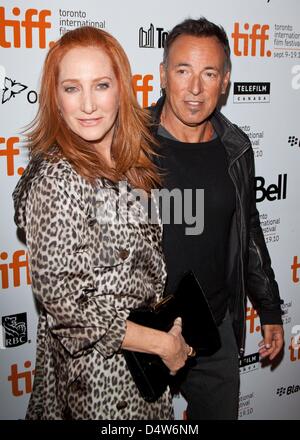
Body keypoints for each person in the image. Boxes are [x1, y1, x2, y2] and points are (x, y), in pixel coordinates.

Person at [12, 26, 192, 420]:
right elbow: (65, 302)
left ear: (121, 91)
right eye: (72, 88)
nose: (89, 104)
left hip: (140, 375)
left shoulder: (128, 166)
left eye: (102, 85)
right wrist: (161, 345)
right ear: (56, 99)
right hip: (94, 388)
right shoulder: (58, 178)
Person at [148, 17, 284, 420]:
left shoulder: (236, 146)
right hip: (145, 331)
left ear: (225, 81)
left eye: (208, 73)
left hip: (214, 325)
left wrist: (271, 309)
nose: (194, 88)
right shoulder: (127, 143)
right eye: (183, 70)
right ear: (162, 74)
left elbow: (249, 233)